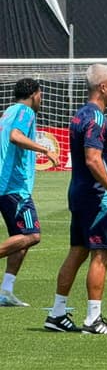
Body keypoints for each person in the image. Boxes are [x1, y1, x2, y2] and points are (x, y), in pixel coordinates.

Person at [44, 64, 107, 334]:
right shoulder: (96, 119)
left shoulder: (79, 115)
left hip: (79, 191)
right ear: (103, 87)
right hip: (95, 196)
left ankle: (57, 314)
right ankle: (92, 320)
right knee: (101, 253)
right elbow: (93, 158)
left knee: (78, 250)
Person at [0, 79, 60, 307]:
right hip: (14, 188)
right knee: (32, 235)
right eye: (41, 94)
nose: (42, 99)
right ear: (34, 94)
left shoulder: (8, 111)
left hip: (5, 185)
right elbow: (16, 137)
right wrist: (45, 149)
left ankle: (6, 291)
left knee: (21, 239)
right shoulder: (25, 111)